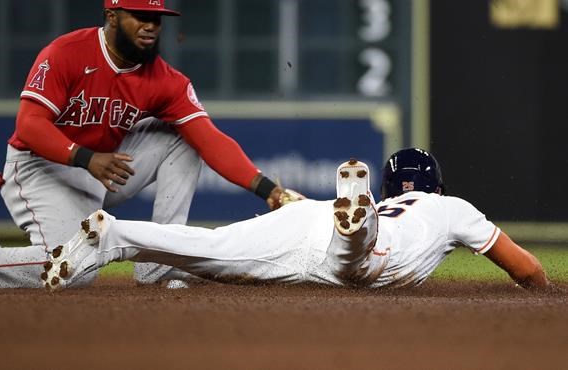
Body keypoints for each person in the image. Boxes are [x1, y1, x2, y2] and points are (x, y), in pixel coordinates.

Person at [0, 0, 300, 289]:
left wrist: (270, 190)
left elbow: (209, 138)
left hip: (103, 167)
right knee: (72, 274)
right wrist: (85, 158)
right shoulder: (66, 53)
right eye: (140, 15)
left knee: (182, 138)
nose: (151, 25)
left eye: (157, 17)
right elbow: (29, 125)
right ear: (113, 16)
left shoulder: (164, 79)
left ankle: (160, 260)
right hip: (41, 167)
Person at [36, 148, 550, 290]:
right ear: (438, 185)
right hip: (363, 244)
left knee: (208, 248)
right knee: (362, 258)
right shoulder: (450, 207)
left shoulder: (425, 203)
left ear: (394, 189)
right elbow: (524, 268)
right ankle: (359, 218)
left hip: (311, 215)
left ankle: (114, 234)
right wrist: (545, 287)